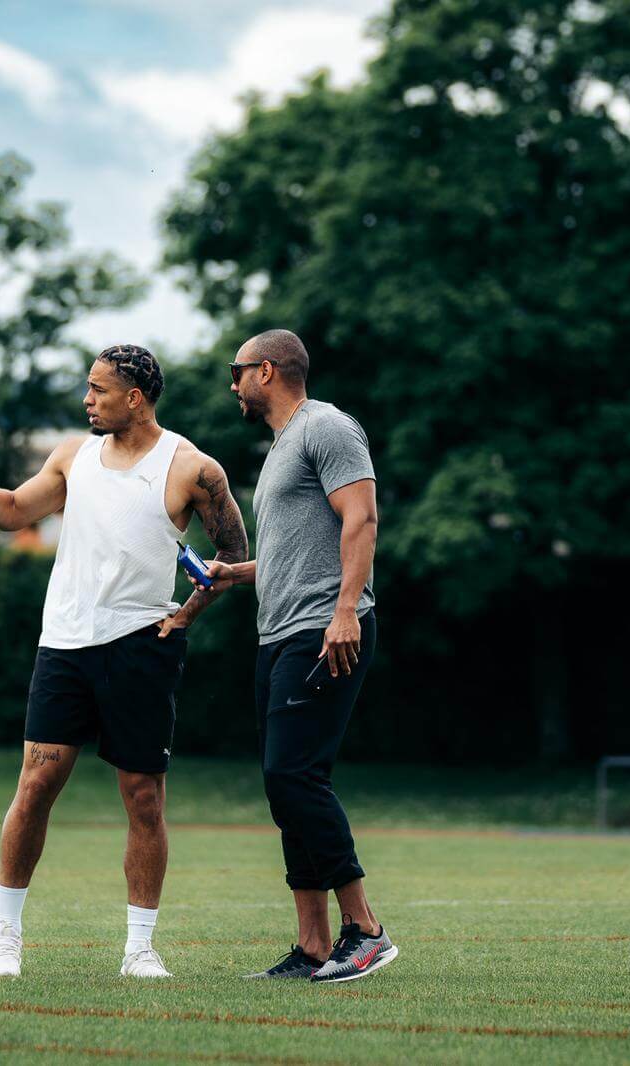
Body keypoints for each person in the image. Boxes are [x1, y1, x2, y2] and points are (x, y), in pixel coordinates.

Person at [0, 343, 247, 979]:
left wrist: (186, 614)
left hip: (140, 648)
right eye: (87, 388)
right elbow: (12, 511)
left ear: (135, 397)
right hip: (64, 645)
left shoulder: (192, 468)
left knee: (143, 798)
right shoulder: (73, 456)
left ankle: (139, 950)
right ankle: (5, 939)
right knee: (35, 786)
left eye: (98, 389)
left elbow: (231, 553)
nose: (86, 399)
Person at [203, 328, 395, 983]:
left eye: (237, 371)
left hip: (324, 628)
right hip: (280, 634)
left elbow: (361, 518)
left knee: (295, 776)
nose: (231, 384)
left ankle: (365, 930)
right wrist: (234, 573)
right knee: (283, 789)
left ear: (266, 370)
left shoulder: (327, 427)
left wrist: (346, 610)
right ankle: (313, 946)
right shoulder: (283, 448)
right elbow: (296, 553)